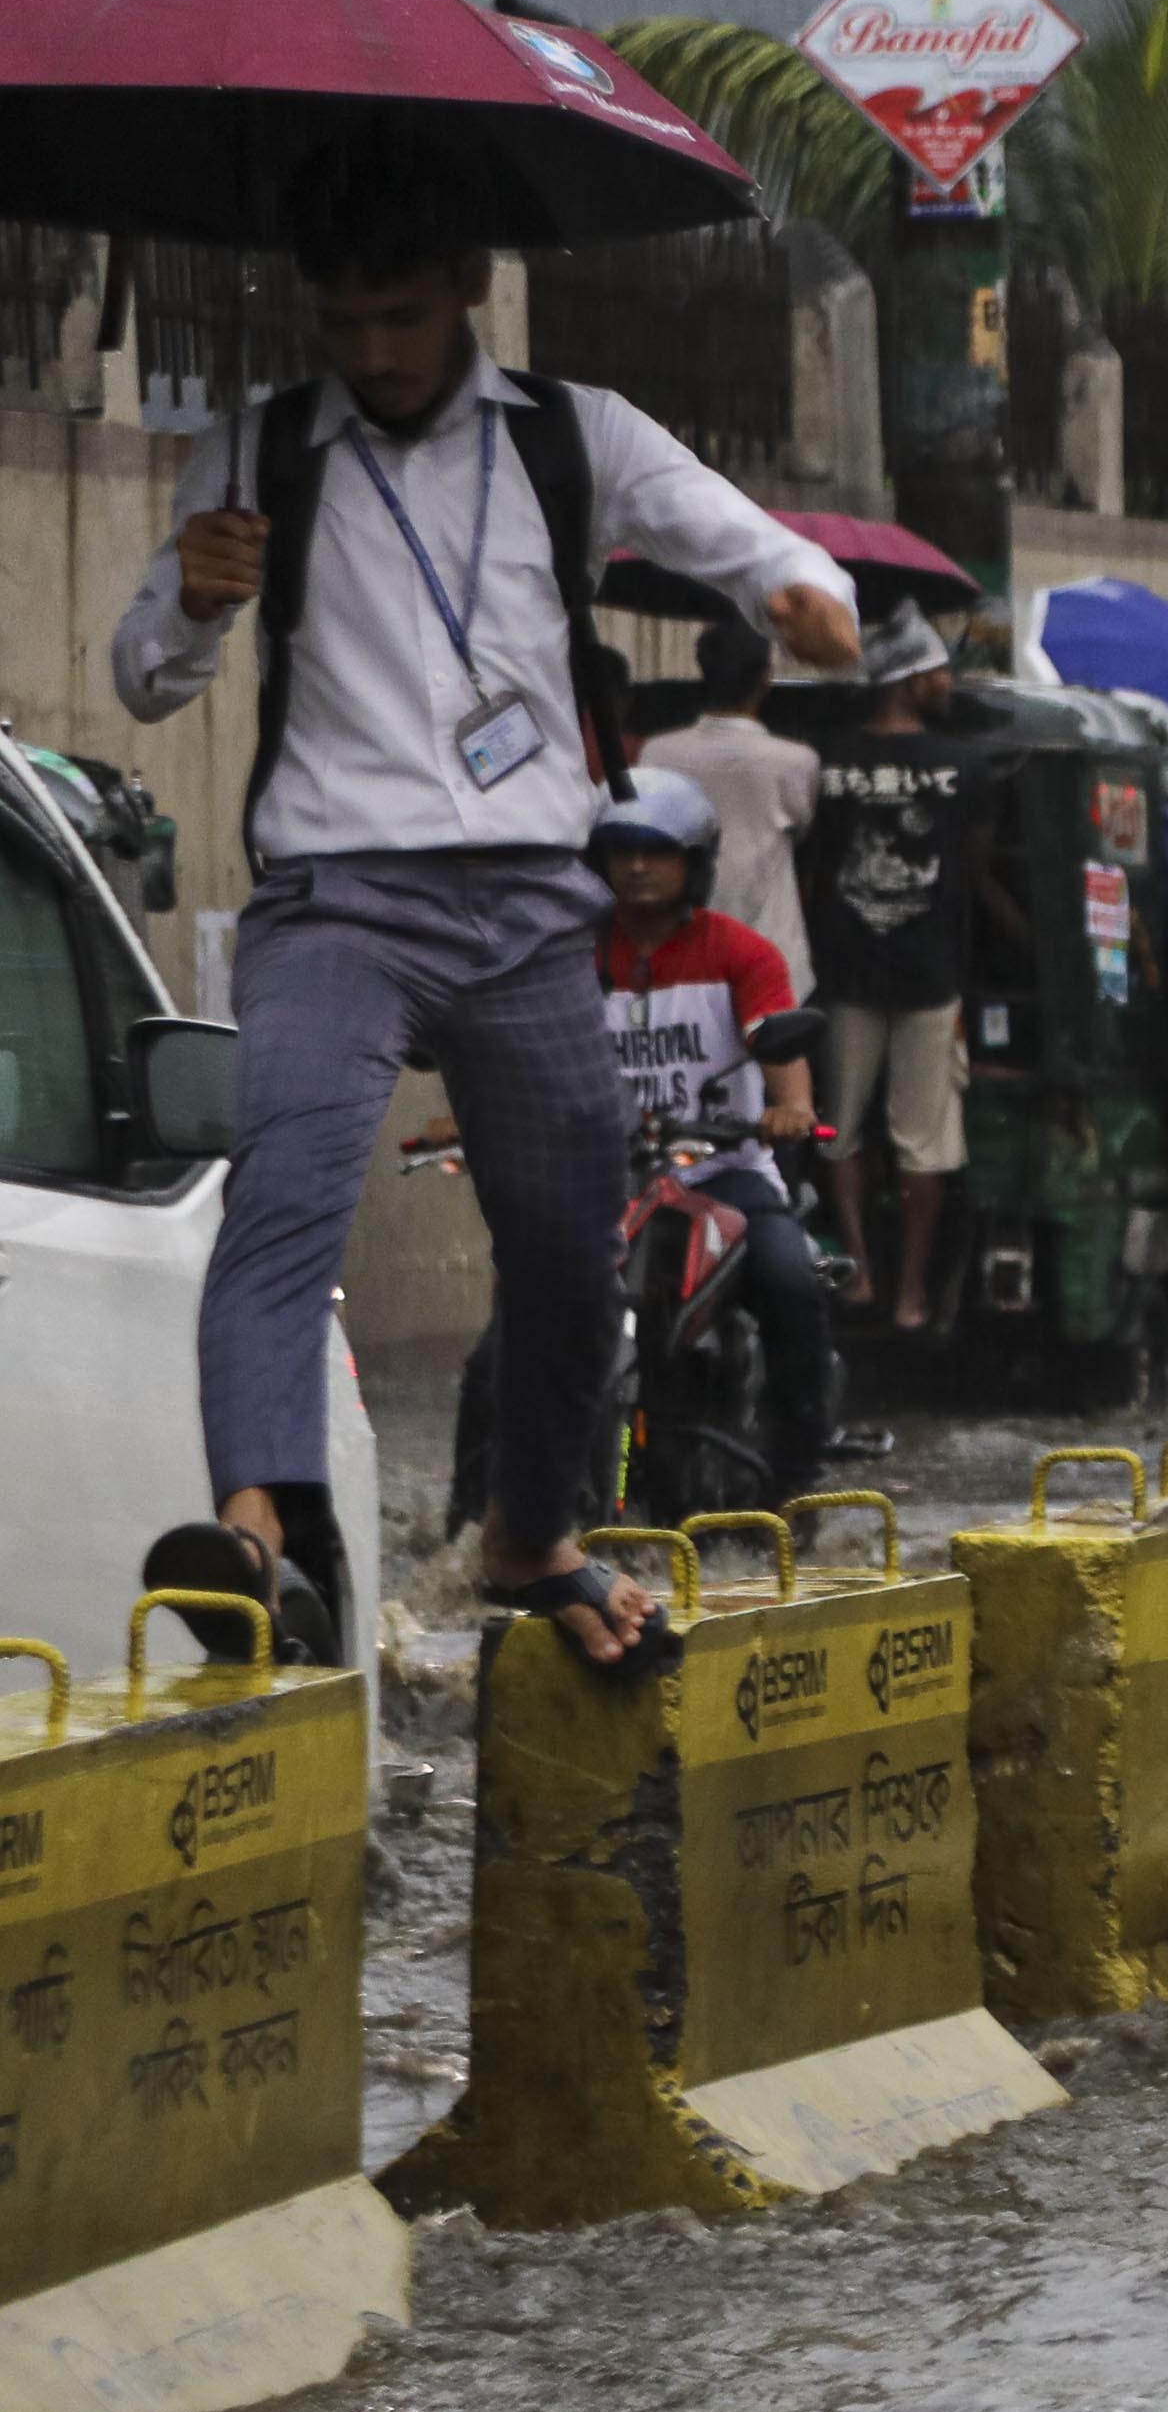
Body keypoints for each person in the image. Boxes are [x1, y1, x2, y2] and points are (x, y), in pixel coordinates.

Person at [107, 146, 853, 1673]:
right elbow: (141, 675)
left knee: (576, 1249)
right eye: (341, 323)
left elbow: (742, 536)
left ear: (467, 291)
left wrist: (801, 592)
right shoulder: (257, 460)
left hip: (527, 906)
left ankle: (530, 1536)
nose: (371, 353)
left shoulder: (574, 439)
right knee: (283, 1200)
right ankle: (253, 1533)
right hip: (334, 901)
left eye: (399, 316)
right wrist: (191, 595)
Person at [584, 773, 836, 1507]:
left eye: (657, 852)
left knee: (791, 1278)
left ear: (692, 863)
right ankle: (478, 1512)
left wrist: (790, 1105)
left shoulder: (742, 954)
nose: (636, 867)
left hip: (725, 1174)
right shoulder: (571, 958)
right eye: (622, 851)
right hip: (610, 1184)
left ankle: (798, 1479)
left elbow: (776, 1042)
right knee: (509, 1325)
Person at [798, 608, 996, 1329]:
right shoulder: (967, 767)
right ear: (910, 681)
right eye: (939, 671)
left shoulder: (830, 759)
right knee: (925, 1142)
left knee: (839, 1130)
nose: (949, 684)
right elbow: (973, 868)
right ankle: (910, 1294)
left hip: (846, 975)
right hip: (930, 978)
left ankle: (859, 1274)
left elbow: (813, 871)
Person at [634, 613, 822, 995]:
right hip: (772, 951)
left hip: (679, 950)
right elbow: (803, 833)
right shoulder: (796, 760)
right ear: (767, 677)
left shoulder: (657, 752)